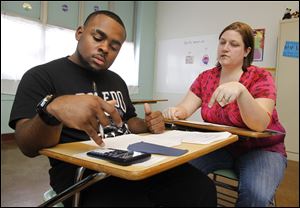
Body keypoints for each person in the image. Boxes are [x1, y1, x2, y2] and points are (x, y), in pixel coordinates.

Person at [9, 10, 217, 207]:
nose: (105, 48)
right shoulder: (41, 76)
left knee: (201, 188)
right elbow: (27, 146)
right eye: (98, 38)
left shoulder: (116, 80)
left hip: (134, 159)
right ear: (79, 33)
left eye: (114, 46)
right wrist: (52, 111)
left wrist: (147, 124)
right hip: (83, 171)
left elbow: (128, 121)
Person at [163, 22, 287, 207]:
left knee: (256, 195)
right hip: (220, 146)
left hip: (261, 150)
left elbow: (260, 124)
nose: (225, 48)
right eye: (222, 42)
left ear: (246, 51)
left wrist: (241, 91)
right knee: (176, 172)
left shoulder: (261, 77)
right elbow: (185, 109)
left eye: (234, 44)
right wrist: (175, 112)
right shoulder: (206, 77)